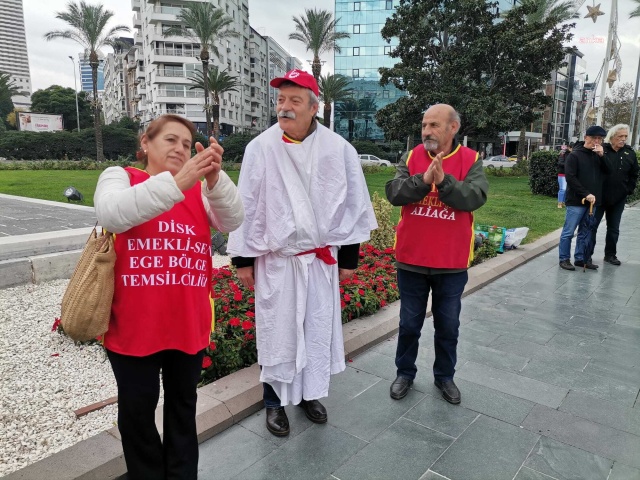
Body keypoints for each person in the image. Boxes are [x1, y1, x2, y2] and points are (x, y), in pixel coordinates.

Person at [227, 69, 377, 437]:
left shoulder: (339, 150)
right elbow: (246, 204)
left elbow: (353, 207)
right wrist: (244, 259)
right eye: (280, 101)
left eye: (295, 101)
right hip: (277, 262)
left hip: (320, 260)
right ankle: (273, 402)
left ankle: (310, 394)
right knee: (277, 331)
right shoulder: (260, 148)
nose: (285, 108)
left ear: (314, 107)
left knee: (315, 328)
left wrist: (349, 259)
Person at [94, 114, 244, 479]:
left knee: (183, 408)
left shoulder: (198, 189)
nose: (179, 148)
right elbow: (113, 214)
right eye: (170, 140)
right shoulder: (121, 177)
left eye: (185, 143)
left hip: (186, 322)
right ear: (145, 142)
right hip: (133, 325)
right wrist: (178, 183)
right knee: (137, 411)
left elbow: (234, 218)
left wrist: (214, 178)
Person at [385, 104, 488, 405]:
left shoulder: (470, 160)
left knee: (448, 325)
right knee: (408, 324)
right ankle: (404, 373)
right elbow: (394, 192)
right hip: (412, 259)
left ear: (453, 128)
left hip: (450, 263)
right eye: (424, 125)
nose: (426, 131)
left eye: (434, 125)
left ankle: (445, 377)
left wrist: (443, 182)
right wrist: (422, 180)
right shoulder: (412, 156)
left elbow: (475, 197)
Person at [558, 125, 610, 271]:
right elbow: (571, 178)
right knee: (569, 231)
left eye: (600, 139)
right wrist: (585, 193)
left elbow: (609, 171)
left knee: (585, 231)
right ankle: (564, 259)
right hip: (577, 200)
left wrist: (602, 156)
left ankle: (580, 258)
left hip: (593, 202)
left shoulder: (599, 155)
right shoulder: (575, 155)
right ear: (586, 137)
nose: (597, 141)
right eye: (594, 138)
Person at [593, 124, 639, 265]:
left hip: (618, 198)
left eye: (625, 136)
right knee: (592, 226)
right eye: (620, 136)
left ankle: (610, 255)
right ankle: (586, 254)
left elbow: (634, 174)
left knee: (614, 229)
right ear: (612, 137)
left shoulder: (629, 153)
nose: (623, 139)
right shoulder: (602, 150)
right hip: (600, 197)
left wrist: (628, 190)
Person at [557, 142, 574, 208]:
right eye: (572, 148)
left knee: (566, 189)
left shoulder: (573, 155)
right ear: (569, 148)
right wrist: (568, 165)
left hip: (569, 174)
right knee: (563, 189)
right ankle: (560, 203)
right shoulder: (563, 154)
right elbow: (560, 163)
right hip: (562, 173)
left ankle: (563, 202)